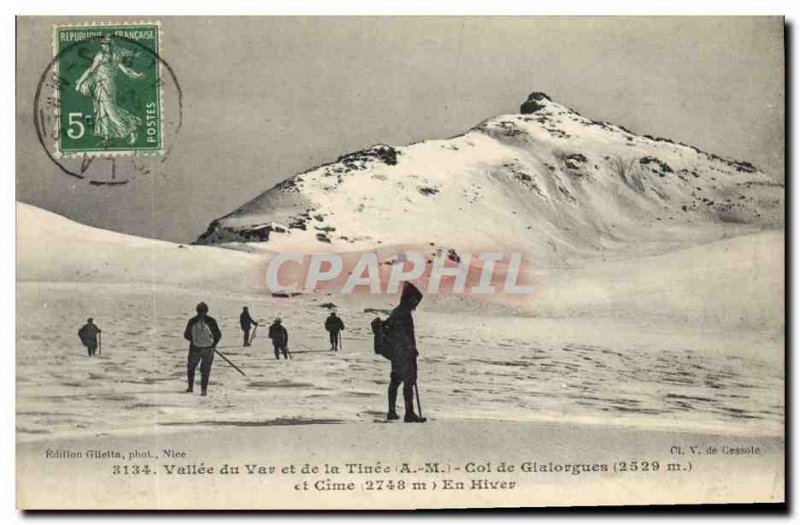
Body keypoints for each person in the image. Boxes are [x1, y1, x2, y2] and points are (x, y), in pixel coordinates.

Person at [386, 282, 426, 423]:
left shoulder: (398, 312)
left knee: (396, 381)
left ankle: (392, 411)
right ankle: (409, 413)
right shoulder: (403, 314)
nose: (415, 304)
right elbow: (402, 335)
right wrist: (410, 349)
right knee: (408, 381)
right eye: (414, 301)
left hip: (397, 353)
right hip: (403, 353)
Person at [183, 302, 222, 396]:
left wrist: (195, 341)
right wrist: (213, 344)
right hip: (208, 349)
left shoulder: (192, 321)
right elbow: (218, 335)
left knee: (191, 367)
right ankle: (203, 390)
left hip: (195, 348)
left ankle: (190, 387)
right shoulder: (211, 321)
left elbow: (186, 335)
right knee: (206, 369)